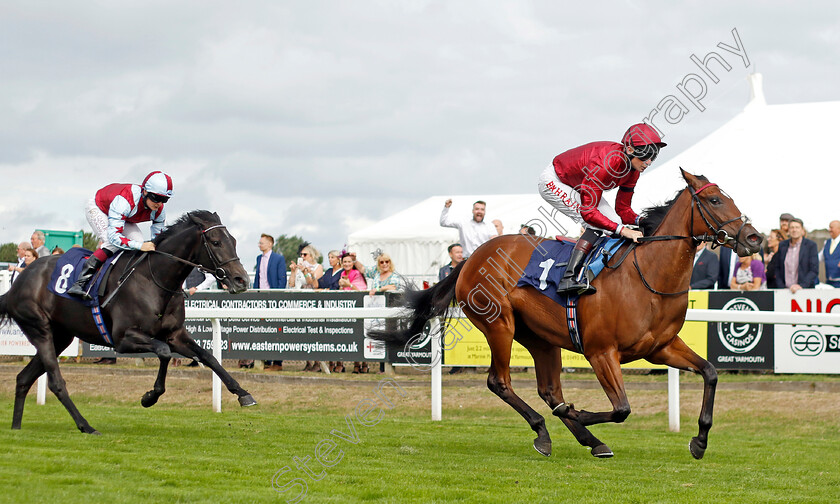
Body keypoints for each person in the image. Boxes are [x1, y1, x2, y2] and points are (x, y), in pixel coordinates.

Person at [538, 123, 666, 295]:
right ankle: (568, 278)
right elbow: (588, 212)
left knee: (615, 222)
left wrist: (644, 221)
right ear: (629, 149)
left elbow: (623, 210)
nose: (649, 162)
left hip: (578, 184)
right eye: (646, 156)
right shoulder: (605, 163)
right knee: (597, 223)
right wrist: (623, 231)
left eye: (653, 156)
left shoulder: (633, 171)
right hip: (555, 181)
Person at [67, 171, 173, 299]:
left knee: (138, 241)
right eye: (156, 198)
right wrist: (140, 245)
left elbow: (157, 240)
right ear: (145, 192)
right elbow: (114, 237)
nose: (159, 203)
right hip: (99, 208)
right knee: (110, 242)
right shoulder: (125, 200)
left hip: (125, 217)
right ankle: (79, 283)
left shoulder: (159, 210)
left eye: (164, 200)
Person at [252, 233, 287, 370]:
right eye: (259, 243)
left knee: (276, 328)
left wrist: (276, 296)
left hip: (273, 297)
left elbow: (281, 279)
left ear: (270, 244)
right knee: (263, 328)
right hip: (261, 297)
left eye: (262, 243)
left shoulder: (278, 258)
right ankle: (267, 358)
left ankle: (277, 362)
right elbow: (257, 278)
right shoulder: (259, 258)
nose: (259, 245)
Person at [774, 218, 819, 293]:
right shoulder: (782, 245)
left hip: (804, 291)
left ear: (802, 230)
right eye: (792, 227)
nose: (794, 230)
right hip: (784, 291)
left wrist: (801, 286)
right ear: (788, 230)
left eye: (797, 227)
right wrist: (781, 287)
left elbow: (814, 270)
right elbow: (777, 268)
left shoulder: (811, 246)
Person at [819, 220, 840, 288]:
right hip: (829, 282)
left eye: (831, 227)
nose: (829, 230)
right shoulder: (826, 242)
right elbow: (819, 258)